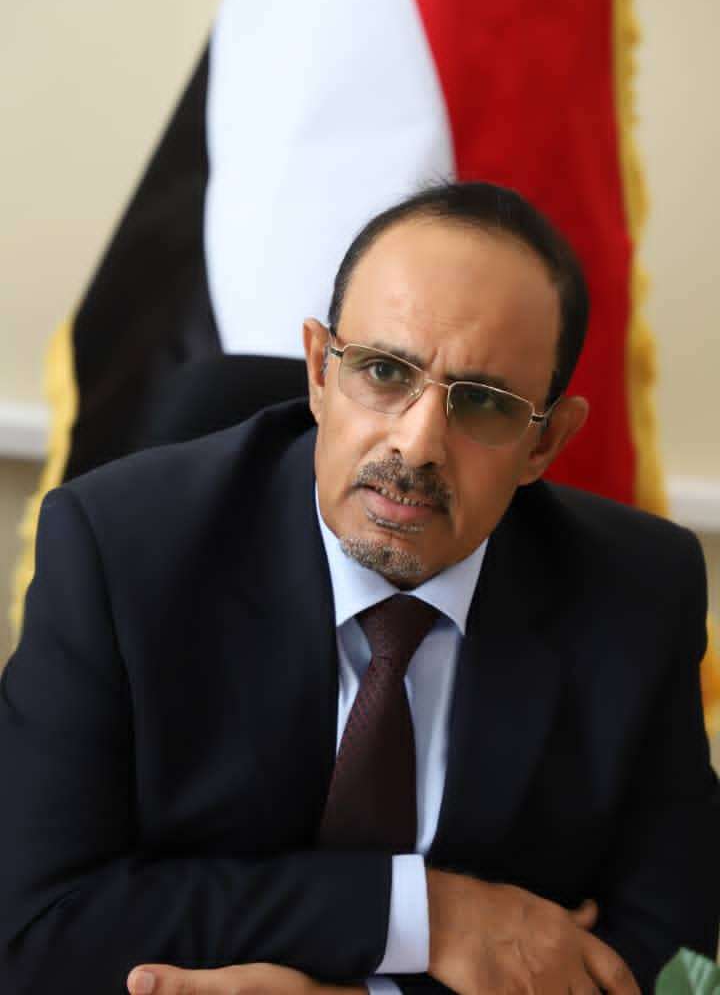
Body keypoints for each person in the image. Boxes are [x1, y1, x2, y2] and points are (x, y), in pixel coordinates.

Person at [0, 183, 717, 995]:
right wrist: (423, 914)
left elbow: (672, 969)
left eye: (483, 403)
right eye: (383, 371)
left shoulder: (637, 594)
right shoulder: (122, 549)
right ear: (318, 371)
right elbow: (33, 930)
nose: (417, 445)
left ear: (544, 442)